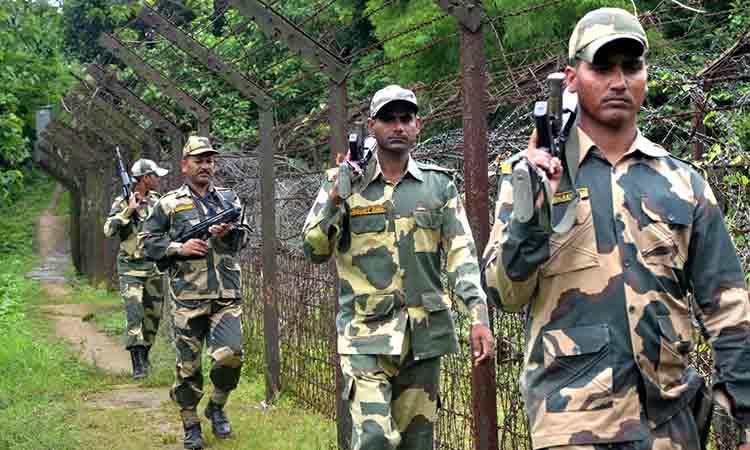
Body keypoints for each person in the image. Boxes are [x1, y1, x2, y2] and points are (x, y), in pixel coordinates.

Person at [482, 7, 750, 450]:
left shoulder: (682, 184)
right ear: (571, 78)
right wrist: (535, 207)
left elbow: (728, 308)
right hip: (573, 423)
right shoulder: (533, 176)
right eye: (602, 68)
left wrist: (743, 413)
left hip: (669, 423)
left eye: (632, 67)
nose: (618, 81)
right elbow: (504, 294)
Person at [302, 85, 494, 450]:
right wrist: (335, 199)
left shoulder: (438, 186)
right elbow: (313, 250)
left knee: (416, 443)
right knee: (375, 439)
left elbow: (461, 256)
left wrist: (478, 315)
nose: (398, 127)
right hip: (366, 336)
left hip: (423, 336)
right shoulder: (342, 183)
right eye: (388, 119)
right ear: (371, 126)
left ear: (418, 125)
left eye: (405, 118)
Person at [141, 136, 247, 450]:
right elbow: (147, 242)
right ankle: (190, 424)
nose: (205, 165)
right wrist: (179, 247)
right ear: (184, 165)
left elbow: (241, 243)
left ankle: (216, 406)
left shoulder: (229, 200)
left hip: (226, 295)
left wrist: (227, 235)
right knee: (188, 368)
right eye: (198, 160)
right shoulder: (168, 203)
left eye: (209, 160)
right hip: (187, 298)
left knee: (232, 356)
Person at [103, 158, 168, 379]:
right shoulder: (122, 201)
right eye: (155, 176)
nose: (159, 179)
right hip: (130, 268)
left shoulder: (158, 201)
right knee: (135, 314)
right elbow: (108, 230)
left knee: (153, 316)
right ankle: (138, 364)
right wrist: (127, 212)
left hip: (153, 266)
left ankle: (145, 354)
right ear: (145, 178)